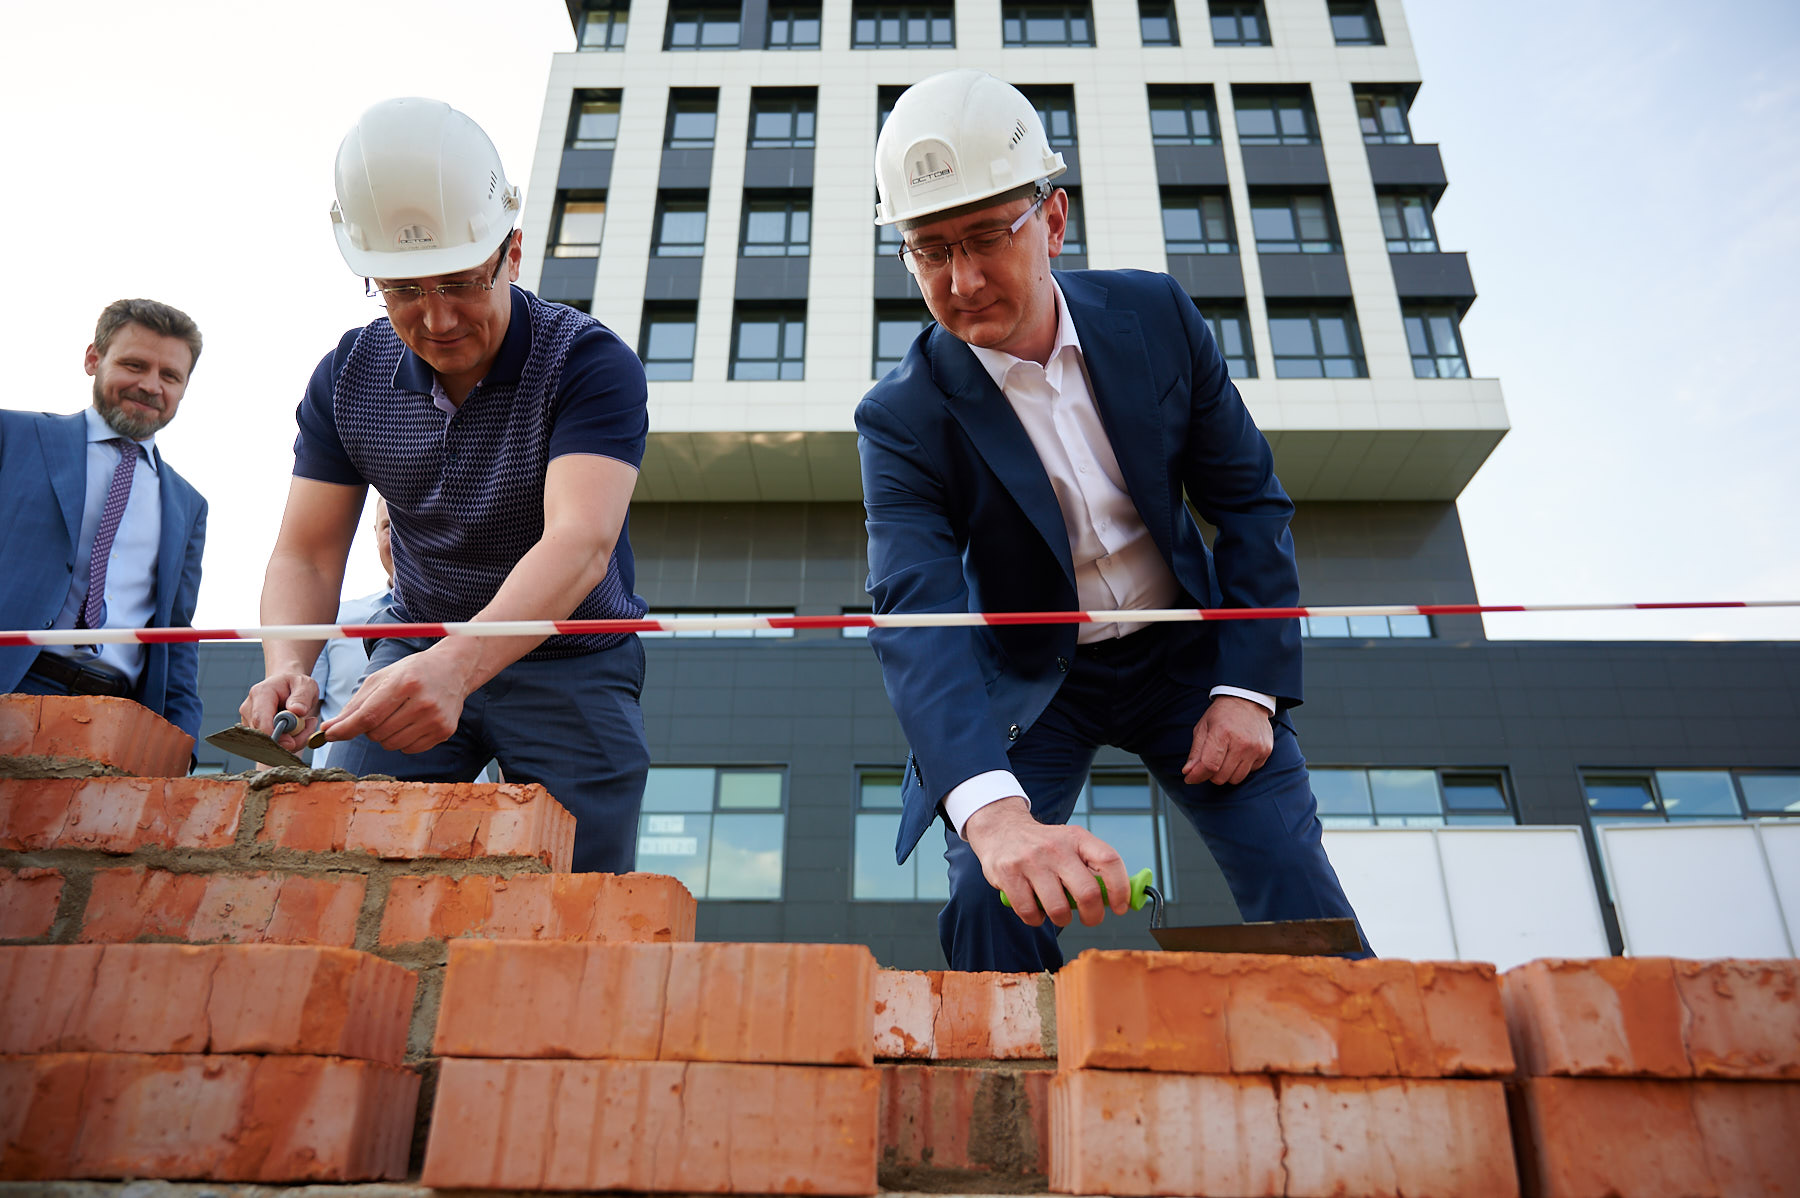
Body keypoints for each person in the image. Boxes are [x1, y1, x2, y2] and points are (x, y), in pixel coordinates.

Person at [856, 70, 1369, 972]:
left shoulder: (1156, 316)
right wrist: (997, 818)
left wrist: (1249, 688)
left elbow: (1248, 501)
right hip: (1031, 681)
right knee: (992, 896)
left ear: (1052, 221)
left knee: (1294, 879)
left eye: (984, 238)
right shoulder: (901, 416)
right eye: (929, 251)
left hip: (1188, 655)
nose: (962, 280)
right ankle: (1030, 1108)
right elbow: (916, 612)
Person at [239, 97, 650, 871]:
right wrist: (288, 667)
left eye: (460, 281)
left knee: (585, 899)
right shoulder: (347, 379)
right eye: (401, 290)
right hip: (414, 641)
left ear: (512, 252)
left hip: (573, 660)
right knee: (346, 866)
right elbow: (307, 555)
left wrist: (458, 665)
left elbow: (581, 542)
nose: (436, 320)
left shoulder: (589, 364)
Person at [1, 299, 209, 744]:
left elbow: (176, 632)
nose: (151, 385)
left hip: (116, 721)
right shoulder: (12, 437)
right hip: (13, 683)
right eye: (134, 365)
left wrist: (180, 740)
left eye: (170, 376)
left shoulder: (188, 505)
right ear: (93, 358)